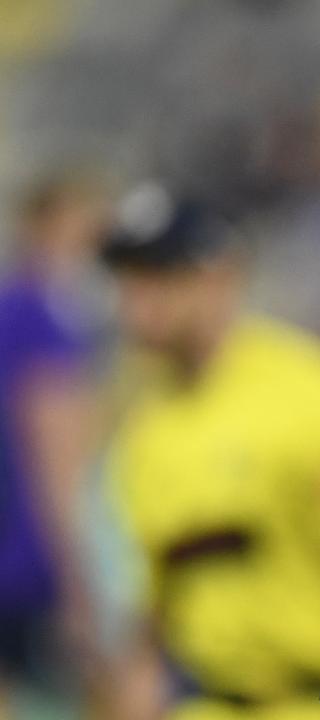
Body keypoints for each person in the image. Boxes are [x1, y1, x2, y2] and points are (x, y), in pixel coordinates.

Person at [100, 182, 320, 720]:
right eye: (128, 279)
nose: (137, 301)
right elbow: (156, 602)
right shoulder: (144, 430)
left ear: (221, 274)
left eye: (161, 276)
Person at [0, 172, 107, 717]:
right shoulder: (46, 315)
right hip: (36, 558)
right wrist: (78, 579)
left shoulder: (14, 305)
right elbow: (56, 451)